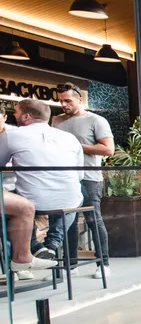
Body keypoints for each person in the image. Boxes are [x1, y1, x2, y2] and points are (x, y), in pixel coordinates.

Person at [0, 100, 82, 261]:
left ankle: (31, 248)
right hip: (70, 198)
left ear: (26, 116)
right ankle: (52, 243)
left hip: (33, 201)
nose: (13, 115)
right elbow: (80, 174)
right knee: (77, 198)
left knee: (12, 204)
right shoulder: (70, 137)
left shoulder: (10, 135)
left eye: (15, 112)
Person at [52, 84, 113, 278]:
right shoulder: (56, 121)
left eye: (68, 100)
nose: (64, 104)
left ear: (80, 99)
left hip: (88, 178)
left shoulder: (96, 120)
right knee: (67, 221)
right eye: (61, 101)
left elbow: (108, 149)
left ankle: (103, 263)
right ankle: (71, 266)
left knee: (93, 220)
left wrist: (77, 146)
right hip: (64, 178)